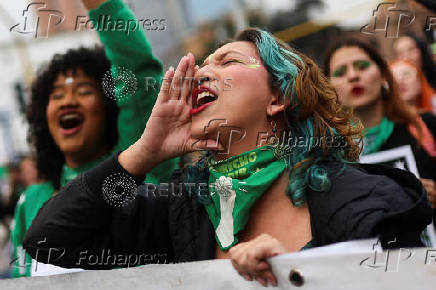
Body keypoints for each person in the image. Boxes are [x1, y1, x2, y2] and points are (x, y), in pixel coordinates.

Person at [23, 28, 431, 287]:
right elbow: (49, 240)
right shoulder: (179, 207)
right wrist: (145, 152)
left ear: (279, 97)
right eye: (201, 64)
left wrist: (301, 270)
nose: (200, 72)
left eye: (228, 61)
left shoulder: (369, 197)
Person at [10, 0, 178, 278]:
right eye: (57, 95)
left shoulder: (140, 164)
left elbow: (136, 70)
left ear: (110, 107)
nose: (68, 102)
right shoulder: (31, 201)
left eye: (84, 91)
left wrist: (102, 6)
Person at [324, 38, 436, 226]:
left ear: (384, 74)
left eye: (362, 66)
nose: (353, 76)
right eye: (340, 72)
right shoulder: (328, 152)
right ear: (330, 88)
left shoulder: (424, 125)